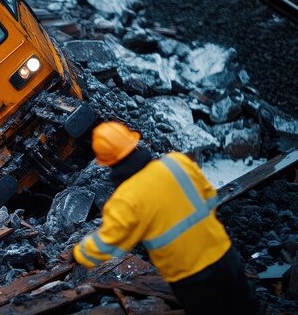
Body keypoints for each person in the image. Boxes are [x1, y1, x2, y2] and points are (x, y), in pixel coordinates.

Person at [72, 121, 259, 315]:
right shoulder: (176, 162)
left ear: (107, 162)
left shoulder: (123, 201)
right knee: (248, 308)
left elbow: (107, 245)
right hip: (224, 255)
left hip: (190, 277)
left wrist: (78, 253)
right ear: (134, 143)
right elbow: (210, 197)